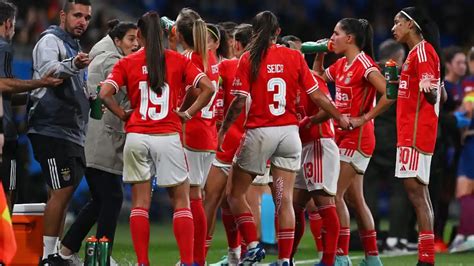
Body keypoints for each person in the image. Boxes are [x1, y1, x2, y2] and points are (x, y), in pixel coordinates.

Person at [218, 11, 350, 265]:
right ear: (278, 32)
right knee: (284, 199)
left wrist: (224, 129)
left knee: (234, 194)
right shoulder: (293, 56)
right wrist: (339, 117)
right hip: (289, 135)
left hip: (260, 133)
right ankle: (285, 259)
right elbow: (317, 96)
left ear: (255, 32)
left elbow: (239, 101)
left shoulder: (248, 59)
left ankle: (253, 245)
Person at [99, 11, 215, 266]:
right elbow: (208, 87)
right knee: (181, 201)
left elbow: (105, 92)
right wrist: (186, 113)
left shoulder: (127, 62)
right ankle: (187, 262)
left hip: (137, 136)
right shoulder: (176, 60)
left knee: (140, 203)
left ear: (139, 35)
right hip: (167, 135)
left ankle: (143, 263)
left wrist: (123, 114)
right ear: (163, 35)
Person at [58, 20, 138, 264]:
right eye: (131, 39)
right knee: (111, 197)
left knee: (102, 199)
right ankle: (102, 257)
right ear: (116, 41)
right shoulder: (109, 62)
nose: (135, 45)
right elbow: (102, 99)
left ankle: (66, 251)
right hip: (100, 139)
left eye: (137, 39)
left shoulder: (106, 58)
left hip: (101, 137)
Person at [313, 18, 392, 265]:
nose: (331, 37)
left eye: (335, 33)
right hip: (342, 134)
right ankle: (372, 258)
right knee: (355, 199)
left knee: (333, 194)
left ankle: (341, 255)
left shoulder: (364, 64)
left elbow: (391, 92)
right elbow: (317, 80)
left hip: (358, 137)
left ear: (350, 39)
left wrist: (364, 118)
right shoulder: (340, 65)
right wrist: (319, 54)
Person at [28, 0, 92, 263]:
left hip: (72, 130)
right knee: (60, 190)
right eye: (77, 15)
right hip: (50, 127)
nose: (83, 22)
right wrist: (74, 66)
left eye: (87, 18)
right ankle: (47, 256)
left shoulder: (74, 47)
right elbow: (49, 72)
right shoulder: (50, 41)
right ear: (63, 15)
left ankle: (55, 254)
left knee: (65, 194)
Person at [391, 6, 445, 266]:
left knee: (417, 195)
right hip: (413, 131)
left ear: (410, 24)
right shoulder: (420, 52)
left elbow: (433, 92)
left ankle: (426, 259)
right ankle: (426, 257)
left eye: (397, 23)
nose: (393, 28)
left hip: (414, 133)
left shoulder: (422, 51)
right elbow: (442, 95)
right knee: (420, 195)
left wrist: (428, 88)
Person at [0, 0, 62, 214]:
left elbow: (5, 95)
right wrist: (39, 83)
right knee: (8, 193)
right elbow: (1, 84)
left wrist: (35, 97)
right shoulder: (2, 46)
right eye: (14, 23)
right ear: (8, 23)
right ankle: (4, 246)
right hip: (4, 136)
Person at [364, 39, 418, 253]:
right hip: (395, 137)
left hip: (369, 135)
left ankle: (372, 239)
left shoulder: (369, 71)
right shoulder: (398, 74)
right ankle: (395, 240)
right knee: (399, 189)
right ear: (396, 57)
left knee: (369, 188)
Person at [175, 8, 220, 265]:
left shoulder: (190, 58)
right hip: (208, 134)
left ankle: (193, 260)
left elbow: (197, 91)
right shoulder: (210, 57)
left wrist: (183, 111)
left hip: (192, 132)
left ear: (180, 34)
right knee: (197, 196)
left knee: (189, 198)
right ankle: (196, 258)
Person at [292, 73, 341, 266]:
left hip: (318, 144)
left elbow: (328, 108)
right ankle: (287, 258)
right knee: (295, 209)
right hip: (302, 147)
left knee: (325, 205)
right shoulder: (287, 79)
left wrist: (309, 121)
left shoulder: (310, 78)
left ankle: (328, 261)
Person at [432, 46, 468, 252]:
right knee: (441, 194)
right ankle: (434, 236)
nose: (463, 66)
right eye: (459, 62)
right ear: (448, 65)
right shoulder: (443, 87)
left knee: (454, 194)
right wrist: (454, 118)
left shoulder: (466, 87)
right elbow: (437, 116)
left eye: (465, 62)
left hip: (460, 148)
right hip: (443, 148)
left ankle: (456, 235)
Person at [450, 47, 474, 253]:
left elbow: (468, 107)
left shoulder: (469, 83)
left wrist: (456, 117)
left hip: (472, 141)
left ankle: (467, 235)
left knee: (464, 189)